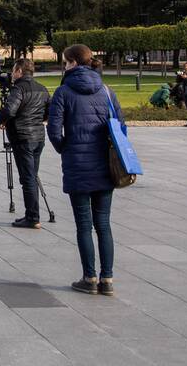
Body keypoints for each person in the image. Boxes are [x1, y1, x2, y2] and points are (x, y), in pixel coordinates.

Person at [48, 44, 122, 296]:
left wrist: (65, 149)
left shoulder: (63, 92)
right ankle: (108, 278)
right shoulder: (107, 91)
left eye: (66, 62)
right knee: (103, 224)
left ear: (73, 63)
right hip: (104, 164)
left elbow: (54, 130)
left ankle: (89, 276)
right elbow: (120, 127)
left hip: (78, 164)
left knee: (83, 224)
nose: (64, 66)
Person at [0, 58, 51, 229]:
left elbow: (10, 109)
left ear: (19, 71)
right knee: (32, 175)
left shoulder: (18, 88)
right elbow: (49, 112)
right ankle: (32, 214)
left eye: (13, 71)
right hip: (38, 137)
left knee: (28, 178)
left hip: (22, 137)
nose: (11, 74)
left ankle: (33, 216)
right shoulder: (42, 88)